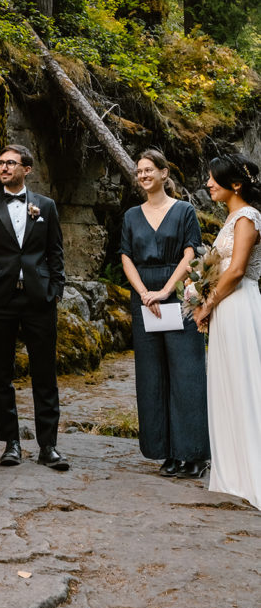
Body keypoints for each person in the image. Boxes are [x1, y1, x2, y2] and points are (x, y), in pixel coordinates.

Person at [0, 144, 68, 470]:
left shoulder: (46, 207)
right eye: (1, 163)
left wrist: (56, 289)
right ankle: (11, 443)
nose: (4, 168)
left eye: (11, 163)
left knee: (45, 374)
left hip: (39, 299)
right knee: (1, 374)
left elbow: (55, 251)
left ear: (27, 169)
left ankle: (48, 446)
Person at [121, 148, 209, 478]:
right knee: (153, 375)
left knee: (186, 374)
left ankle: (195, 454)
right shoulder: (131, 215)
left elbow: (191, 253)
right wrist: (144, 292)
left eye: (148, 170)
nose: (142, 175)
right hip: (144, 298)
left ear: (164, 173)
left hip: (178, 296)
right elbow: (126, 256)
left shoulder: (184, 210)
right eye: (138, 171)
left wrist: (166, 289)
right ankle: (167, 452)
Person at [193, 154, 261, 510]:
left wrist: (205, 304)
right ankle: (230, 471)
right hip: (225, 308)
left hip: (239, 305)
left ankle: (250, 472)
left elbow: (235, 272)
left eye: (213, 179)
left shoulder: (248, 218)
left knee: (244, 383)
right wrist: (196, 290)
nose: (208, 184)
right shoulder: (230, 220)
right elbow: (213, 268)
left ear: (235, 184)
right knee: (226, 384)